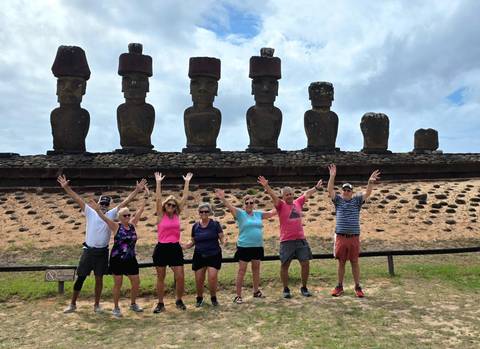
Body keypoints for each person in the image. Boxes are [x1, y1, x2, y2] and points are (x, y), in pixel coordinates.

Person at [58, 175, 147, 313]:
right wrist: (66, 188)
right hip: (88, 250)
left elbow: (126, 201)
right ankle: (72, 304)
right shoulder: (90, 211)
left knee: (99, 279)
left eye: (106, 204)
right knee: (81, 277)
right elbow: (77, 198)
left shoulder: (112, 214)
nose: (104, 206)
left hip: (102, 252)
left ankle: (97, 305)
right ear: (98, 203)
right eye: (102, 203)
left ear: (109, 205)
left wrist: (137, 190)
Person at [257, 176, 322, 299]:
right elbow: (273, 196)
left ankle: (304, 287)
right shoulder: (280, 205)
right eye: (286, 195)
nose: (289, 196)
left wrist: (316, 188)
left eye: (291, 194)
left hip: (300, 240)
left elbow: (306, 194)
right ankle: (286, 289)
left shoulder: (298, 202)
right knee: (285, 265)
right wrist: (266, 186)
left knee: (305, 263)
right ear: (283, 196)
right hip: (286, 241)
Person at [89, 185, 149, 317]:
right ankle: (116, 307)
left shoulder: (132, 225)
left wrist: (145, 197)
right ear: (120, 217)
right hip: (117, 259)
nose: (127, 217)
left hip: (130, 258)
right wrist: (98, 210)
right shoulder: (116, 226)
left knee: (136, 281)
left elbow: (141, 210)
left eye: (128, 215)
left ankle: (133, 304)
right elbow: (104, 218)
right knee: (118, 283)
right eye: (124, 215)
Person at [327, 164, 380, 298]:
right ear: (342, 191)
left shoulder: (356, 201)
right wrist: (332, 176)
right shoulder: (338, 200)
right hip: (341, 237)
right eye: (344, 190)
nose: (346, 192)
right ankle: (339, 286)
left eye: (348, 190)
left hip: (354, 237)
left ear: (351, 192)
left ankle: (357, 286)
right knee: (341, 262)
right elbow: (330, 190)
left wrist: (370, 182)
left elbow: (367, 193)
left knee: (355, 262)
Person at [215, 189, 276, 304]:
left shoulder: (258, 214)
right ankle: (238, 296)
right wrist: (222, 198)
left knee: (256, 270)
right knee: (241, 271)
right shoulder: (240, 213)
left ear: (254, 204)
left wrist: (279, 202)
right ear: (244, 204)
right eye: (247, 203)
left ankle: (256, 291)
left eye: (251, 203)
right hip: (244, 247)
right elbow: (229, 206)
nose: (249, 205)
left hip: (257, 246)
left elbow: (272, 212)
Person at [152, 171, 193, 313]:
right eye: (169, 204)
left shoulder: (176, 214)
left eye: (173, 205)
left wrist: (186, 182)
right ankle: (160, 303)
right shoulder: (161, 215)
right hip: (162, 248)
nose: (171, 206)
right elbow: (157, 199)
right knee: (161, 277)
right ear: (165, 206)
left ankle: (179, 300)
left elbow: (185, 198)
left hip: (175, 248)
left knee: (180, 276)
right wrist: (158, 183)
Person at [183, 203, 225, 307]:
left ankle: (213, 298)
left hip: (214, 254)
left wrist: (224, 241)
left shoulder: (215, 224)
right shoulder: (195, 226)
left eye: (206, 211)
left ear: (210, 212)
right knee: (199, 279)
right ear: (199, 213)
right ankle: (199, 298)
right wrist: (186, 245)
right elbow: (193, 241)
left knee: (212, 277)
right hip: (199, 255)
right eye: (202, 212)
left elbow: (221, 237)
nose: (204, 213)